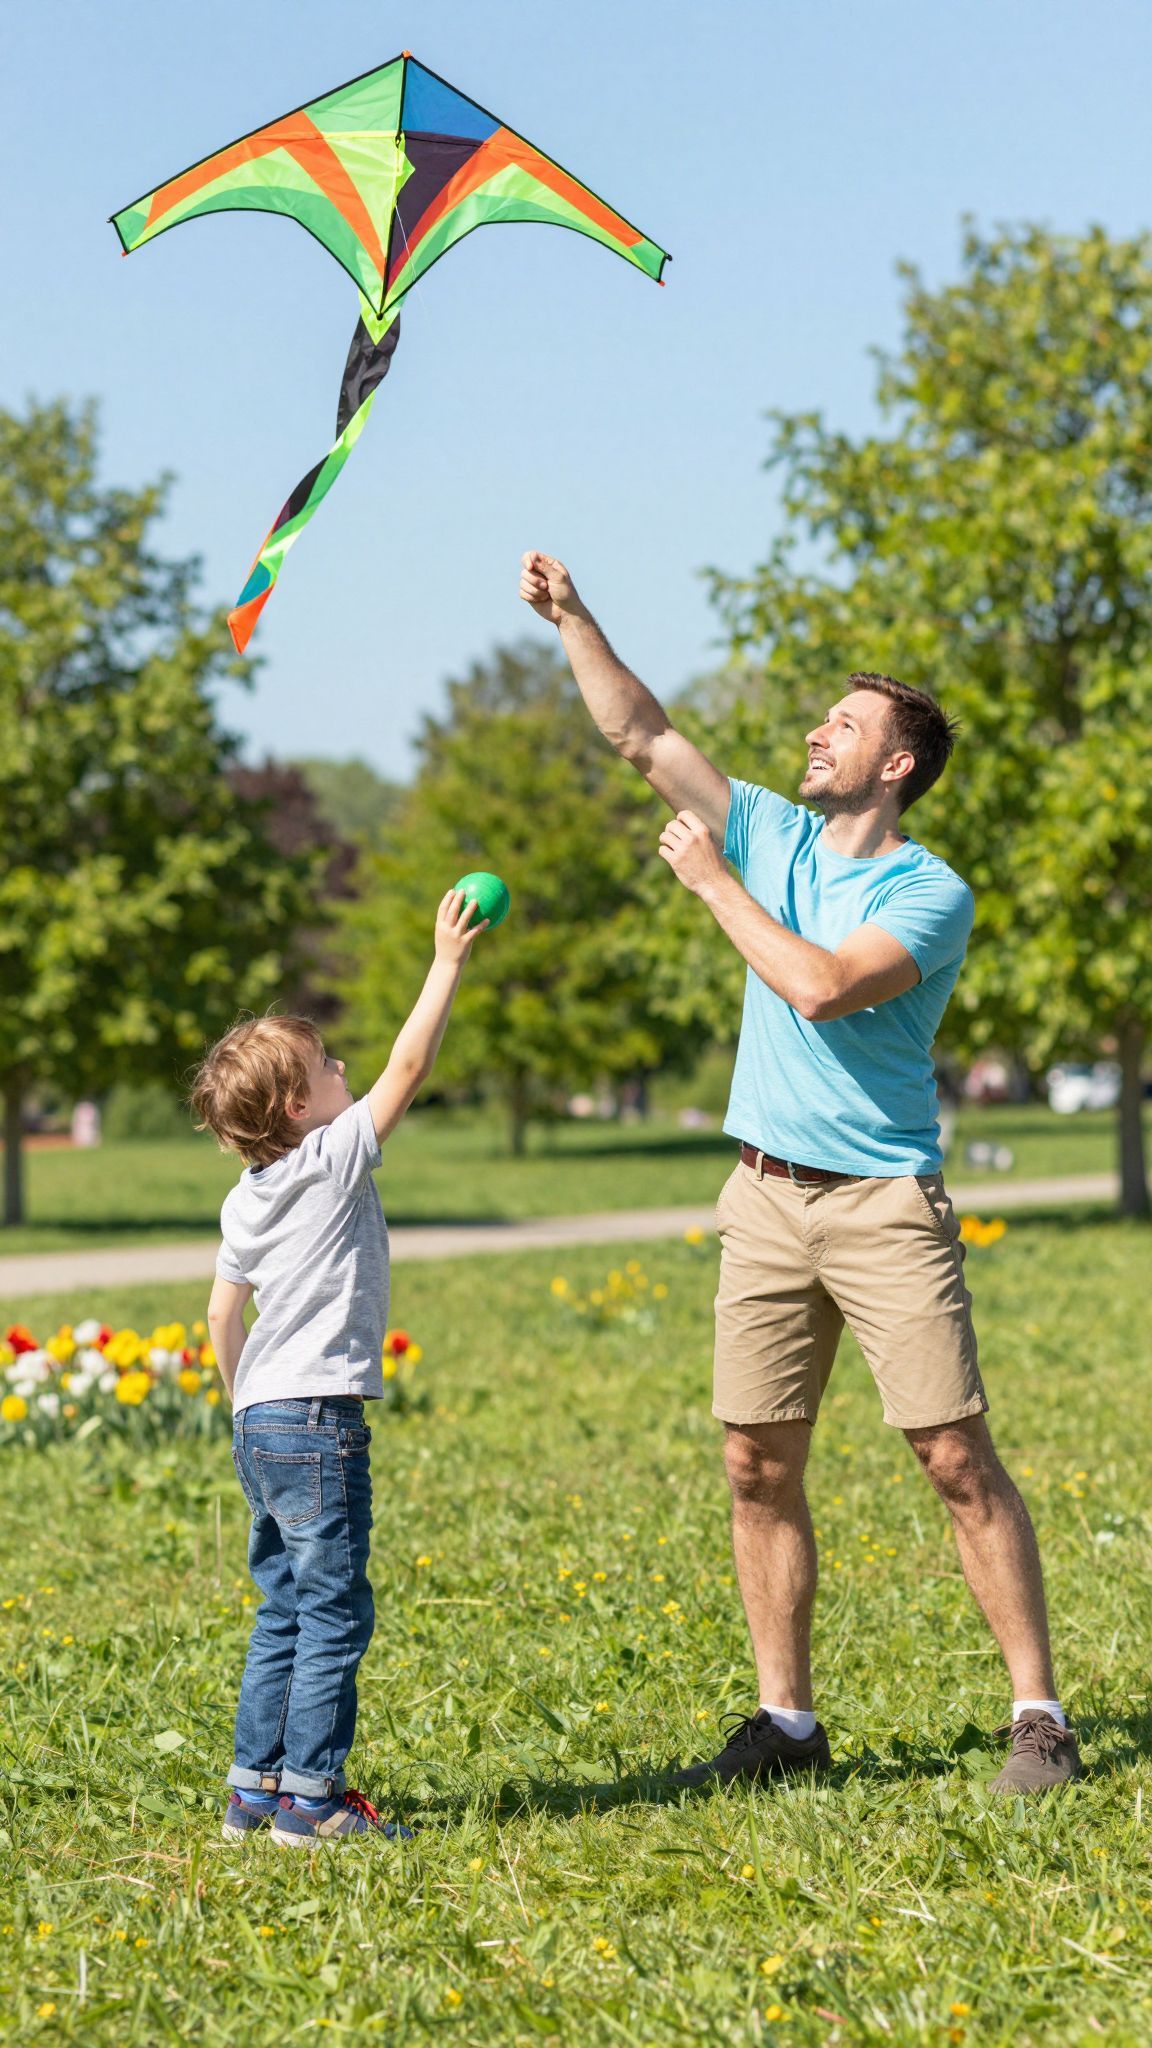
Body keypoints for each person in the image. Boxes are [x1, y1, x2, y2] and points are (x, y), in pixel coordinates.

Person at [519, 549, 1080, 1796]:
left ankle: (1039, 1716)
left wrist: (712, 884)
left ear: (898, 766)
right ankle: (787, 1725)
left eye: (845, 725)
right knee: (755, 1462)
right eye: (821, 719)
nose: (816, 734)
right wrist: (575, 617)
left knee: (951, 1454)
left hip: (881, 1200)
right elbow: (641, 731)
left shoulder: (928, 890)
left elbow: (822, 988)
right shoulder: (772, 825)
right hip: (763, 1193)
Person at [190, 890, 486, 1844]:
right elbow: (409, 1064)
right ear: (296, 1106)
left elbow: (219, 1313)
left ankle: (252, 1790)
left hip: (260, 1422)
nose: (345, 1069)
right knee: (332, 1615)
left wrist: (244, 1406)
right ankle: (311, 1803)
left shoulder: (245, 1199)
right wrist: (445, 961)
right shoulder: (332, 1159)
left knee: (281, 1606)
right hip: (317, 1421)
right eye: (327, 1066)